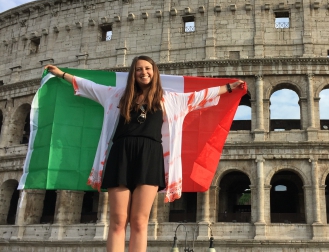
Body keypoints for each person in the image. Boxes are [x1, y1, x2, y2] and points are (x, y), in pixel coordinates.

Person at [44, 56, 244, 252]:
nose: (144, 72)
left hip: (150, 156)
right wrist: (61, 74)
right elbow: (88, 86)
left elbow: (200, 95)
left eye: (148, 68)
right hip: (120, 154)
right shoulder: (117, 96)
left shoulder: (170, 99)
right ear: (134, 74)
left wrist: (228, 87)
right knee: (117, 220)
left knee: (140, 221)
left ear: (154, 72)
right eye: (139, 69)